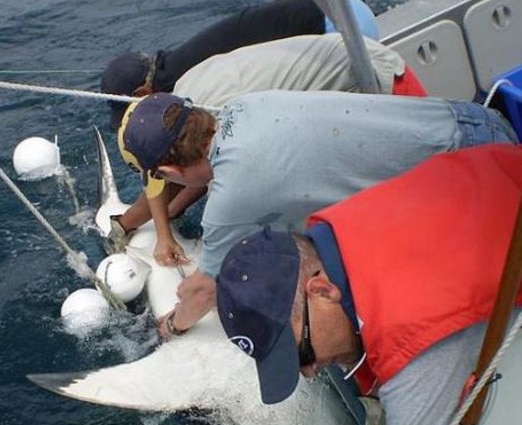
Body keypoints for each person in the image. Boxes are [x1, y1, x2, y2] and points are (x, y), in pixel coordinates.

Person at [214, 143, 522, 425]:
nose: (310, 372)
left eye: (301, 353)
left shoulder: (409, 336)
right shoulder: (338, 230)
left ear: (322, 291)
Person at [116, 91, 518, 340]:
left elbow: (203, 292)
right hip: (479, 122)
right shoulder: (244, 104)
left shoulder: (231, 199)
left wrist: (170, 327)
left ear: (167, 172)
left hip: (478, 185)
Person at [109, 33, 428, 262]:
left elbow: (204, 175)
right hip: (354, 54)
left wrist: (176, 323)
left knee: (409, 224)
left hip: (382, 91)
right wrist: (157, 219)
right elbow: (197, 169)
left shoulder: (225, 116)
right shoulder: (186, 103)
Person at [101, 0, 379, 131]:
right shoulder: (174, 62)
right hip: (345, 10)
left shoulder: (182, 87)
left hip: (342, 33)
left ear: (142, 92)